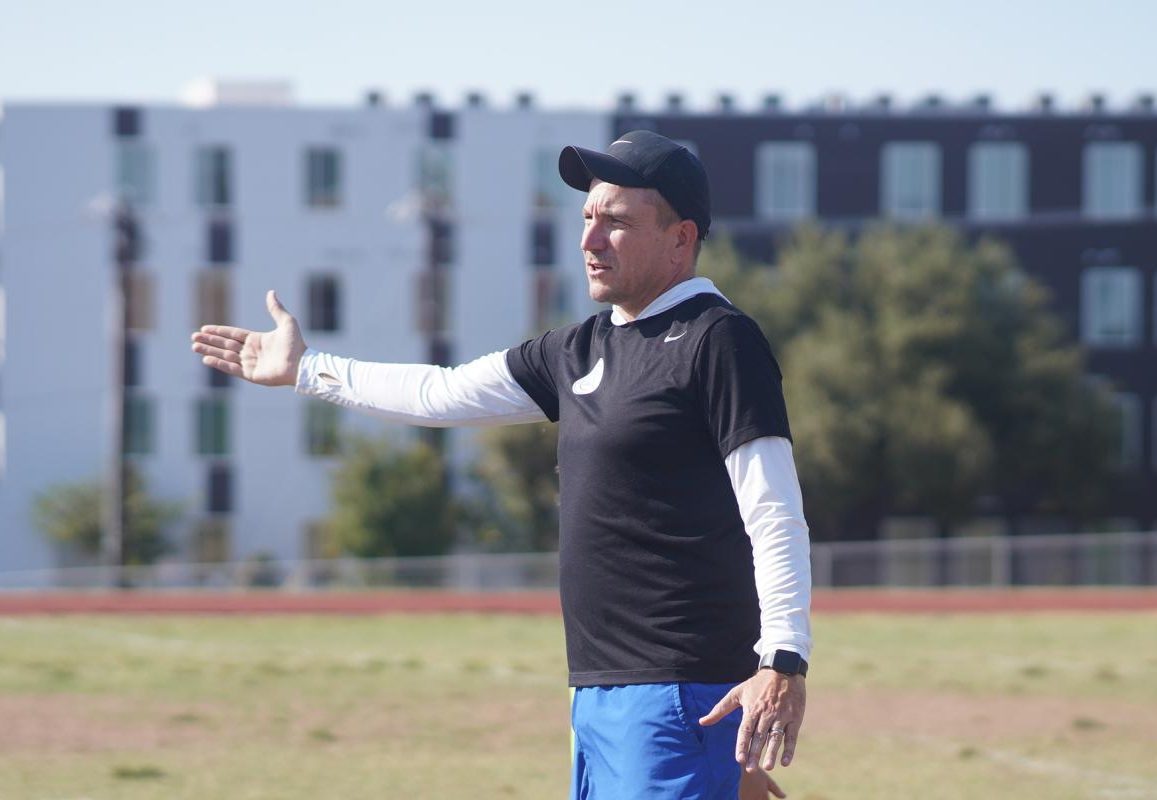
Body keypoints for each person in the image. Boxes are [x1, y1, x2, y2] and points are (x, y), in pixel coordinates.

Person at [191, 130, 812, 799]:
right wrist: (306, 370)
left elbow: (772, 508)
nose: (590, 240)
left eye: (618, 223)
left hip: (677, 690)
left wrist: (781, 658)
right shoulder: (579, 350)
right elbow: (438, 393)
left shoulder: (718, 340)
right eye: (587, 219)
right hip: (598, 692)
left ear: (680, 238)